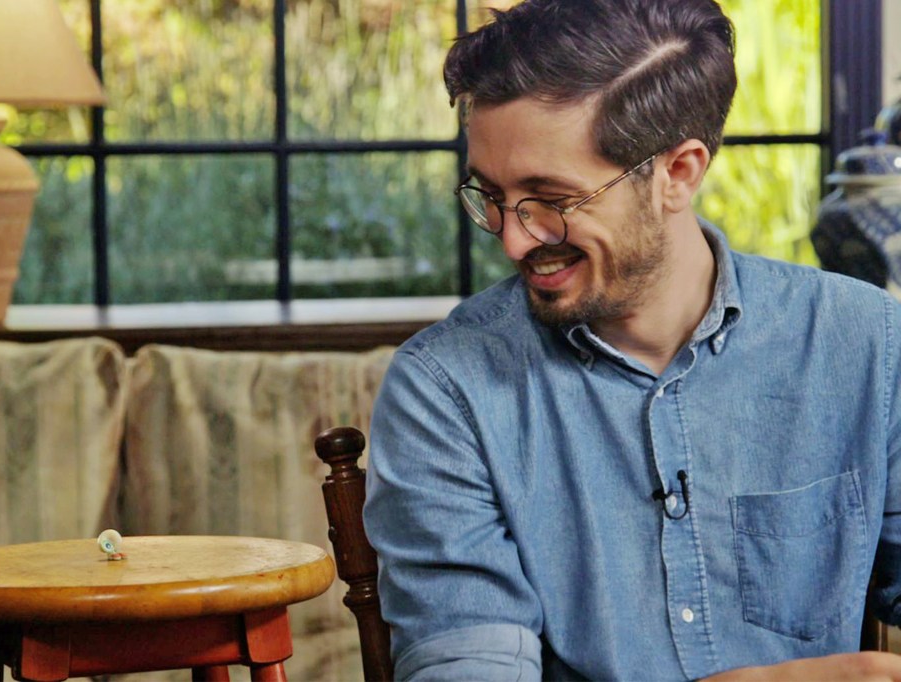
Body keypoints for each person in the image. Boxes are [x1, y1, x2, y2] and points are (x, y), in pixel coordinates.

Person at [363, 0, 901, 679]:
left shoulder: (868, 343)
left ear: (678, 172)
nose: (512, 237)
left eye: (551, 199)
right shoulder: (444, 391)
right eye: (489, 194)